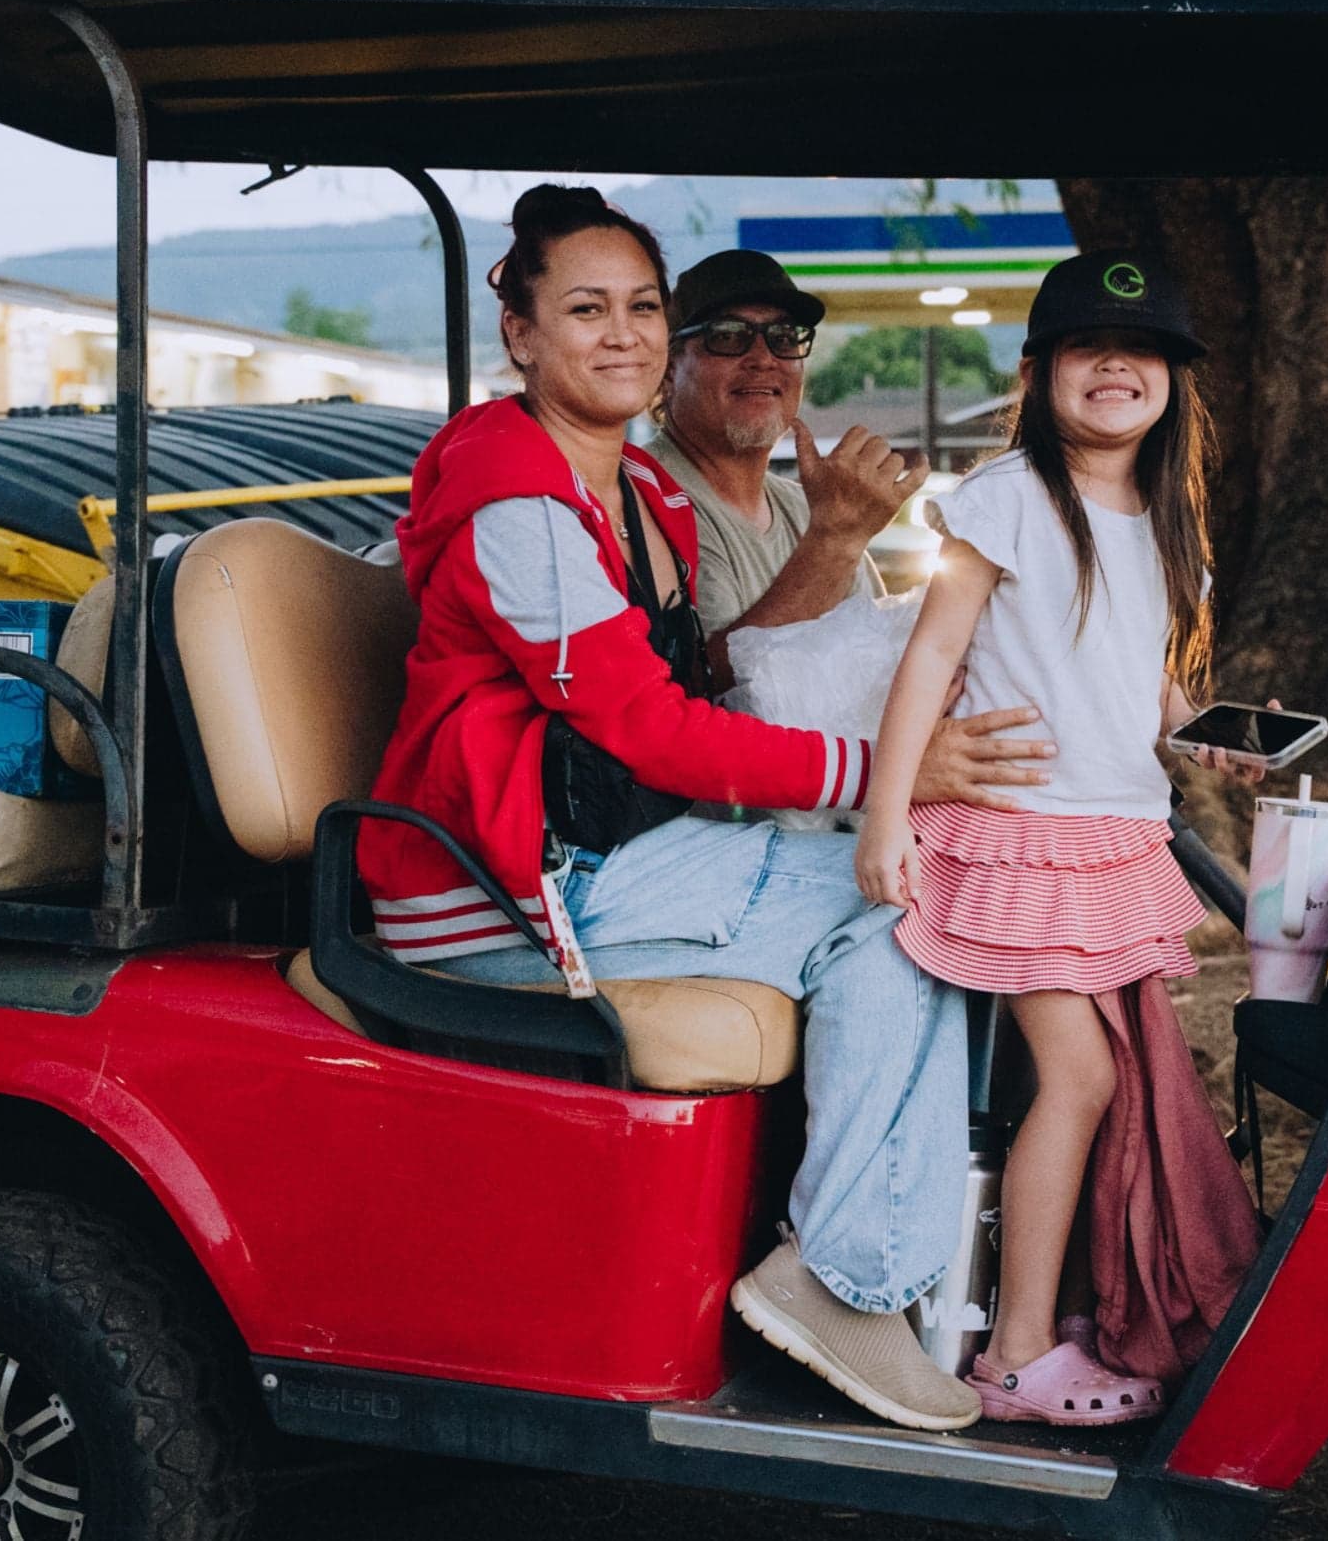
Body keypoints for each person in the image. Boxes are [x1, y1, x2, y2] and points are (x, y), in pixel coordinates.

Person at [358, 186, 982, 1433]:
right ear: (522, 334)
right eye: (584, 308)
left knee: (904, 885)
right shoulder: (509, 484)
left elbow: (697, 682)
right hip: (500, 879)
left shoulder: (637, 495)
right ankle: (848, 1278)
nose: (623, 333)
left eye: (641, 305)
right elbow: (642, 727)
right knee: (908, 905)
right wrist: (879, 771)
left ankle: (848, 1263)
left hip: (602, 845)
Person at [853, 250, 1262, 1426]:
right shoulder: (1006, 499)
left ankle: (1079, 1307)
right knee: (1081, 1076)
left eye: (1143, 352)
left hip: (1113, 840)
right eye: (1089, 349)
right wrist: (887, 817)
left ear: (1176, 382)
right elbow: (932, 654)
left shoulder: (1163, 515)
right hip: (1020, 838)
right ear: (1038, 374)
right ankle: (1018, 1355)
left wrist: (1206, 735)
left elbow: (1142, 682)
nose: (1117, 368)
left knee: (1099, 1078)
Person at [651, 248, 1058, 810]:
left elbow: (876, 673)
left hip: (838, 822)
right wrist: (837, 538)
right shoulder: (641, 495)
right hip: (725, 846)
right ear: (667, 367)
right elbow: (693, 687)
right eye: (728, 336)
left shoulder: (805, 506)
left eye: (785, 337)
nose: (763, 358)